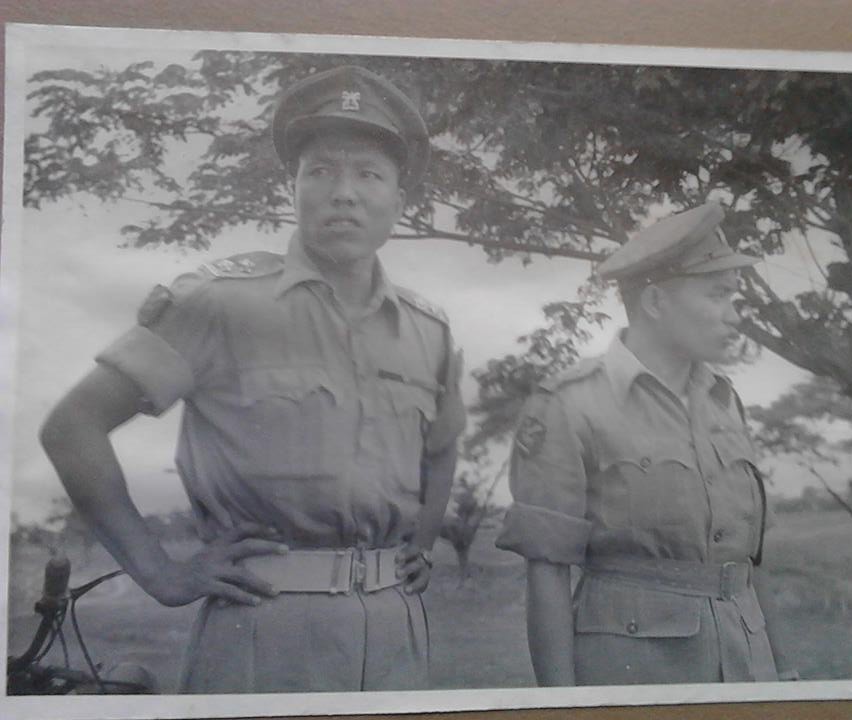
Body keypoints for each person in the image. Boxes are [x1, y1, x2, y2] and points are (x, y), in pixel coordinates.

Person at [40, 65, 465, 693]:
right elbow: (73, 426)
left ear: (399, 200)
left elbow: (442, 445)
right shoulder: (219, 301)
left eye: (368, 174)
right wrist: (162, 575)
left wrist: (421, 544)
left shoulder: (429, 328)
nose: (343, 192)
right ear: (290, 188)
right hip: (266, 621)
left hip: (397, 625)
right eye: (320, 170)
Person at [497, 203, 794, 685]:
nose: (735, 317)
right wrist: (561, 706)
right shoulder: (570, 404)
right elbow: (548, 573)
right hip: (637, 673)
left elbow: (749, 562)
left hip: (747, 665)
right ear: (655, 303)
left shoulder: (724, 401)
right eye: (719, 296)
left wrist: (787, 673)